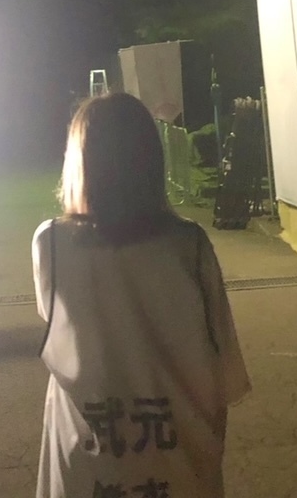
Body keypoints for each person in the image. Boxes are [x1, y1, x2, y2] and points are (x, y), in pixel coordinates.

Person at [33, 92, 250, 498]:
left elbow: (59, 327)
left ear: (80, 162)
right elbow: (223, 370)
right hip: (178, 455)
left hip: (89, 457)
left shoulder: (51, 244)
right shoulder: (189, 245)